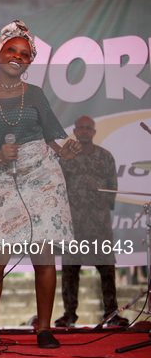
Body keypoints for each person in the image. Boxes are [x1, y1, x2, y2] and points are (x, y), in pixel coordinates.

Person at [0, 20, 82, 350]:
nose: (17, 56)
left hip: (43, 175)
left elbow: (54, 135)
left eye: (24, 54)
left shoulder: (36, 94)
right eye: (11, 49)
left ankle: (45, 329)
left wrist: (66, 148)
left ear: (29, 62)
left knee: (43, 257)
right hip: (6, 176)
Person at [55, 116, 129, 328]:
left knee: (107, 269)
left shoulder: (105, 157)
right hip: (74, 225)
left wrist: (100, 210)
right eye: (82, 128)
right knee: (70, 270)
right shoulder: (66, 158)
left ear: (94, 132)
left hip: (100, 224)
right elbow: (59, 187)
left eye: (89, 128)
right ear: (75, 131)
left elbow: (112, 187)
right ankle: (69, 315)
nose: (85, 131)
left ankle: (112, 313)